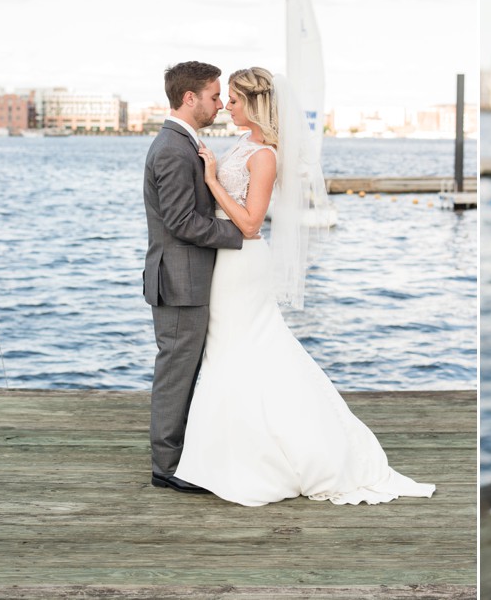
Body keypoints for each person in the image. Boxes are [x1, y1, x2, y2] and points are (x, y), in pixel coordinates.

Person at [172, 66, 436, 507]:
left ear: (254, 103)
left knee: (241, 349)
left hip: (242, 261)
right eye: (225, 98)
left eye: (234, 99)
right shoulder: (244, 143)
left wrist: (213, 181)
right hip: (225, 262)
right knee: (234, 352)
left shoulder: (265, 156)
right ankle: (228, 453)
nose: (226, 106)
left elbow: (253, 224)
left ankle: (267, 455)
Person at [143, 61, 244, 493]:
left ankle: (181, 458)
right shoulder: (171, 148)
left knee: (183, 371)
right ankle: (166, 468)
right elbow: (182, 222)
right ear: (190, 98)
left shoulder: (184, 143)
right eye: (215, 96)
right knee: (176, 373)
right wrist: (238, 233)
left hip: (188, 277)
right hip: (180, 281)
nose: (220, 104)